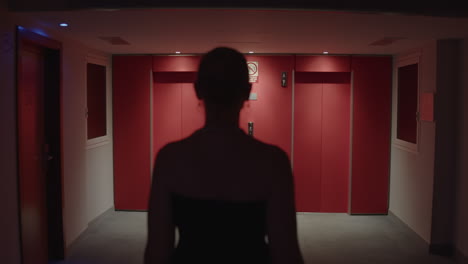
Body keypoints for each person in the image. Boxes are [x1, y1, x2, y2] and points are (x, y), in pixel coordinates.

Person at [144, 47, 303, 264]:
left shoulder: (170, 159)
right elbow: (286, 252)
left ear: (198, 89)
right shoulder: (274, 163)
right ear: (247, 91)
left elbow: (157, 252)